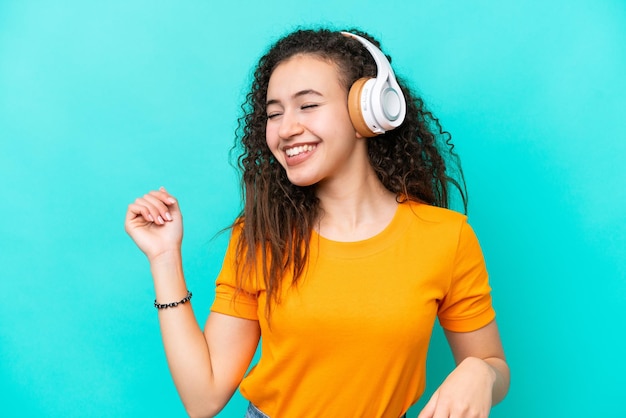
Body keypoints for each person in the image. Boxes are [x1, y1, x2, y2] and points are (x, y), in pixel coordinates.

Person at [125, 28, 510, 418]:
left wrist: (480, 371)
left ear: (368, 110)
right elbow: (202, 397)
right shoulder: (263, 235)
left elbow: (494, 366)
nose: (286, 128)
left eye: (307, 106)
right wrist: (163, 257)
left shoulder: (446, 237)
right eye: (274, 114)